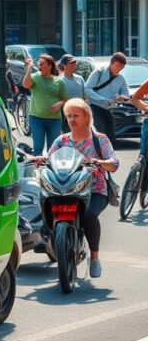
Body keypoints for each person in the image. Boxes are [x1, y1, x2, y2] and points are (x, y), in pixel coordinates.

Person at [40, 99, 118, 278]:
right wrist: (38, 159)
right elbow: (49, 158)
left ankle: (95, 258)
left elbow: (113, 162)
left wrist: (103, 163)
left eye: (76, 115)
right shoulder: (62, 140)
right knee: (44, 204)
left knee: (89, 216)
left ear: (87, 117)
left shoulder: (100, 139)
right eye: (68, 116)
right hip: (64, 188)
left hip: (95, 190)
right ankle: (50, 239)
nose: (71, 119)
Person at [22, 54, 66, 155]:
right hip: (36, 118)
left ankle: (51, 169)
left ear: (50, 66)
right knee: (38, 148)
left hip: (55, 120)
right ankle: (38, 169)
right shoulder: (35, 77)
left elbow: (64, 99)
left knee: (53, 149)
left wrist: (59, 104)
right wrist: (29, 68)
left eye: (42, 64)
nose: (39, 66)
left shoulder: (59, 81)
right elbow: (25, 85)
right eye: (38, 64)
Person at [86, 52, 130, 143]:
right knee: (99, 133)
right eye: (118, 66)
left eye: (122, 67)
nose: (119, 69)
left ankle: (108, 155)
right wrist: (103, 100)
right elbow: (87, 89)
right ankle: (96, 155)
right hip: (95, 107)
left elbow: (126, 95)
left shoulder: (121, 78)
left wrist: (122, 98)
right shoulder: (99, 72)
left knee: (111, 136)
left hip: (111, 109)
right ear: (111, 63)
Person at [58, 54, 86, 133]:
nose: (74, 65)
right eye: (72, 63)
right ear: (64, 66)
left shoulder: (80, 79)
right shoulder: (59, 80)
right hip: (67, 115)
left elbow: (85, 96)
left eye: (75, 63)